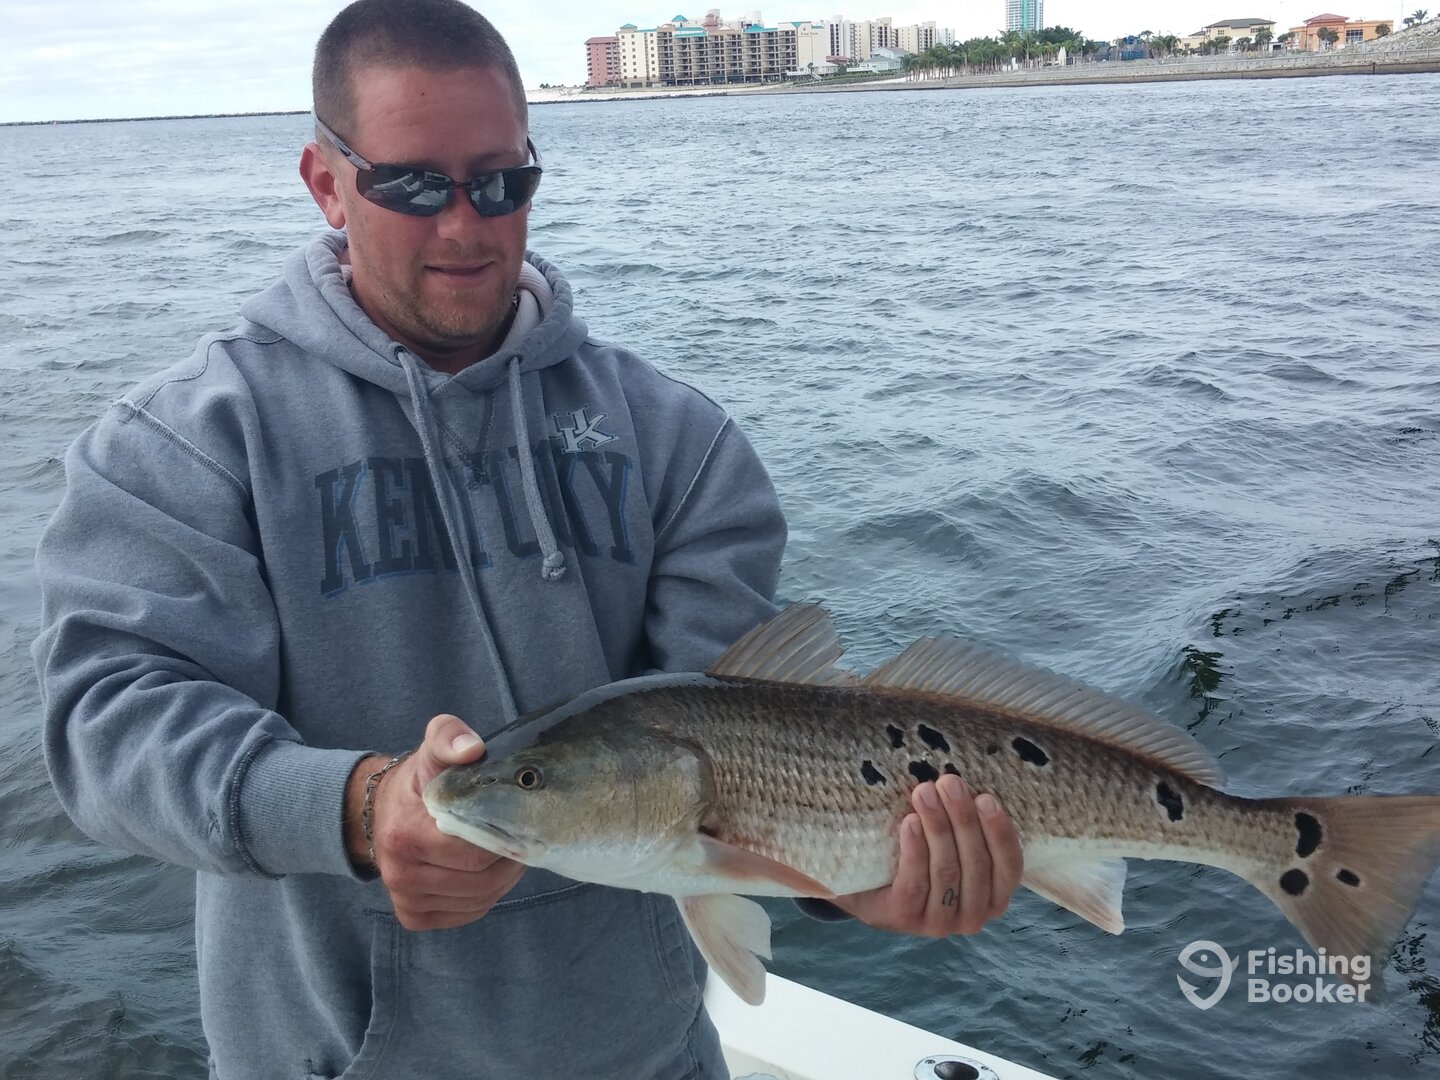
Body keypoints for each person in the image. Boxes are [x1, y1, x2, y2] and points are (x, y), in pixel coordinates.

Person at [31, 2, 1023, 1077]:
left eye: (502, 182)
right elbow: (106, 723)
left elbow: (741, 742)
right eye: (413, 184)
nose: (466, 225)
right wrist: (359, 808)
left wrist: (850, 877)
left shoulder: (677, 439)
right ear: (326, 181)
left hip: (647, 1057)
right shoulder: (186, 443)